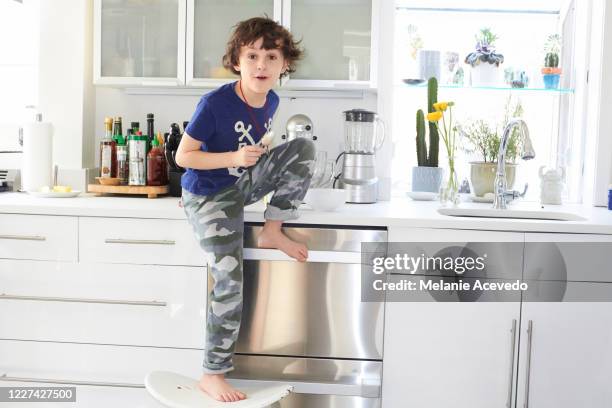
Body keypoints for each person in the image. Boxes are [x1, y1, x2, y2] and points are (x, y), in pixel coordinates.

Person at [175, 16, 314, 403]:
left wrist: (255, 156)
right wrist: (234, 155)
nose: (261, 65)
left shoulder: (271, 99)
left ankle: (273, 229)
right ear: (236, 60)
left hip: (239, 184)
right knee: (230, 280)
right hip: (207, 196)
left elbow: (252, 153)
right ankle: (212, 374)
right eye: (252, 55)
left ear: (285, 64)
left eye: (271, 57)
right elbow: (184, 156)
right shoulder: (215, 103)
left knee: (302, 149)